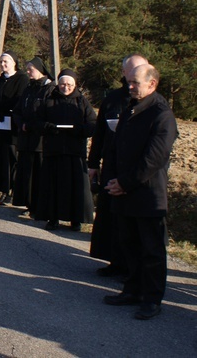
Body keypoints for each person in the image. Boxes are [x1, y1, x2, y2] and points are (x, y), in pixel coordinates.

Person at [103, 64, 177, 320]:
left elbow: (154, 158)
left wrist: (124, 182)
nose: (129, 86)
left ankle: (151, 298)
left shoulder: (161, 114)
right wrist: (112, 179)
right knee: (129, 244)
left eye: (135, 82)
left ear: (152, 84)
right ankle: (132, 290)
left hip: (146, 194)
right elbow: (116, 146)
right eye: (129, 82)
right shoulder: (130, 109)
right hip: (123, 191)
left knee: (151, 249)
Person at [88, 54, 148, 277]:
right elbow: (99, 133)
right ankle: (115, 260)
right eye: (130, 73)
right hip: (112, 163)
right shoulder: (112, 99)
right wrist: (93, 163)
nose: (133, 78)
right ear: (123, 73)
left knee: (132, 217)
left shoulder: (150, 101)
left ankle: (135, 265)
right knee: (112, 215)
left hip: (137, 169)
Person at [33, 69, 96, 231]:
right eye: (62, 84)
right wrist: (47, 127)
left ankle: (76, 219)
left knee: (75, 188)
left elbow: (92, 124)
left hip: (75, 152)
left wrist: (79, 130)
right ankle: (53, 218)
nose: (65, 87)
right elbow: (37, 121)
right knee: (53, 187)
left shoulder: (81, 102)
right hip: (54, 151)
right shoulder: (49, 100)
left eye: (69, 85)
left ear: (74, 85)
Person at [12, 57, 54, 215]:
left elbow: (46, 113)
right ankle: (29, 204)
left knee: (39, 175)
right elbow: (17, 110)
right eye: (27, 69)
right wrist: (21, 122)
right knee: (27, 174)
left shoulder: (49, 89)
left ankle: (39, 206)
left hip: (40, 141)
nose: (28, 72)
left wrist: (32, 125)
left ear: (40, 70)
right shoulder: (28, 88)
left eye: (31, 69)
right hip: (25, 139)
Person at [0, 51, 29, 205]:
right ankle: (4, 189)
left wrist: (3, 109)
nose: (3, 65)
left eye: (6, 62)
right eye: (1, 62)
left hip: (13, 127)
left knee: (12, 158)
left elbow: (18, 100)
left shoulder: (22, 80)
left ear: (14, 62)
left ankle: (13, 191)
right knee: (1, 158)